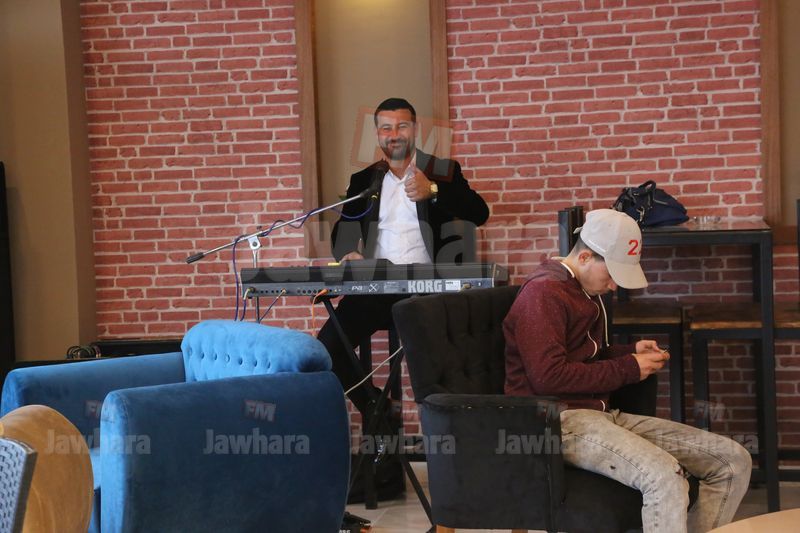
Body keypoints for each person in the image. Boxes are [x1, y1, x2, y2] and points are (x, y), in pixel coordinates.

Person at [503, 208, 751, 533]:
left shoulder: (582, 289)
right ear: (586, 256)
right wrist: (629, 368)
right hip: (556, 422)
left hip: (600, 414)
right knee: (664, 476)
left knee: (732, 460)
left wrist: (630, 352)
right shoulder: (543, 293)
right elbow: (548, 377)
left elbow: (584, 356)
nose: (613, 285)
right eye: (611, 274)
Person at [319, 97, 489, 415]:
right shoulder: (364, 180)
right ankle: (377, 410)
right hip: (377, 288)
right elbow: (342, 236)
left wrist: (434, 192)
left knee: (441, 367)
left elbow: (479, 213)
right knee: (327, 349)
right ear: (377, 134)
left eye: (401, 126)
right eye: (386, 128)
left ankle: (447, 429)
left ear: (415, 129)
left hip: (430, 290)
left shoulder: (442, 171)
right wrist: (348, 253)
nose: (394, 134)